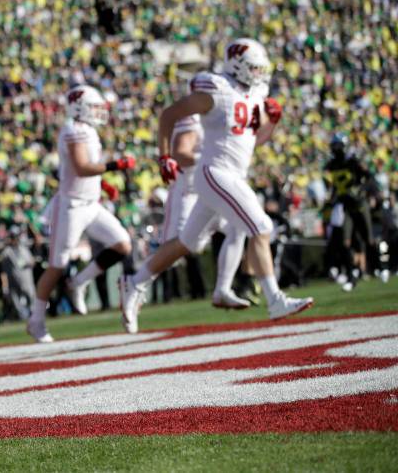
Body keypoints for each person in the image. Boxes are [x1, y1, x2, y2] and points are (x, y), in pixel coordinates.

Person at [119, 39, 315, 333]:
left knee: (187, 242)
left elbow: (252, 142)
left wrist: (271, 123)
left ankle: (135, 283)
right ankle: (275, 299)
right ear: (237, 65)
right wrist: (163, 156)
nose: (259, 74)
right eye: (253, 68)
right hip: (215, 173)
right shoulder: (217, 90)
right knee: (261, 227)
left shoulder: (256, 93)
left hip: (232, 173)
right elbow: (169, 115)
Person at [27, 85, 135, 343]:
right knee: (57, 265)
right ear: (79, 107)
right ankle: (36, 320)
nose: (99, 112)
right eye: (94, 107)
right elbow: (82, 167)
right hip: (72, 207)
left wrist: (104, 184)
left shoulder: (88, 130)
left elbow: (85, 171)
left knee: (122, 245)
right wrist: (114, 166)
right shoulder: (72, 129)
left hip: (91, 203)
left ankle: (79, 282)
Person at [161, 102, 250, 310]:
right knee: (182, 246)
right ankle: (137, 283)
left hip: (211, 189)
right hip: (191, 191)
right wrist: (210, 160)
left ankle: (224, 288)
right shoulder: (191, 119)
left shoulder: (218, 120)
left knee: (238, 226)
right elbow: (181, 153)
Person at [323, 132, 374, 290]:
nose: (335, 149)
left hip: (359, 204)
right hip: (344, 206)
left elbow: (369, 177)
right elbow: (332, 185)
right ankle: (352, 276)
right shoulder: (332, 164)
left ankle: (379, 268)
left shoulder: (352, 161)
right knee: (345, 242)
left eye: (337, 146)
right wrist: (331, 200)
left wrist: (361, 190)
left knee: (369, 239)